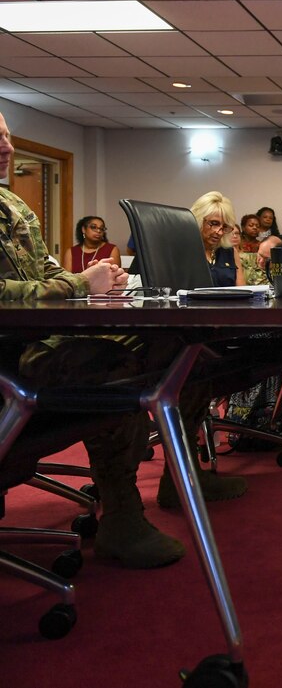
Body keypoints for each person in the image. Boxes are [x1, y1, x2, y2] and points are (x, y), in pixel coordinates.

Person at [0, 110, 194, 569]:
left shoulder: (13, 204)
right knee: (113, 368)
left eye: (7, 137)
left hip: (34, 341)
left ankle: (135, 498)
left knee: (157, 348)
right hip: (12, 358)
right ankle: (122, 514)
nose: (7, 148)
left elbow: (46, 271)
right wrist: (80, 286)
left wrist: (99, 279)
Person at [192, 191, 243, 287]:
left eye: (224, 227)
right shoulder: (185, 251)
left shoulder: (230, 252)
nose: (219, 232)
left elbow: (242, 292)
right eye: (214, 224)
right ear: (198, 220)